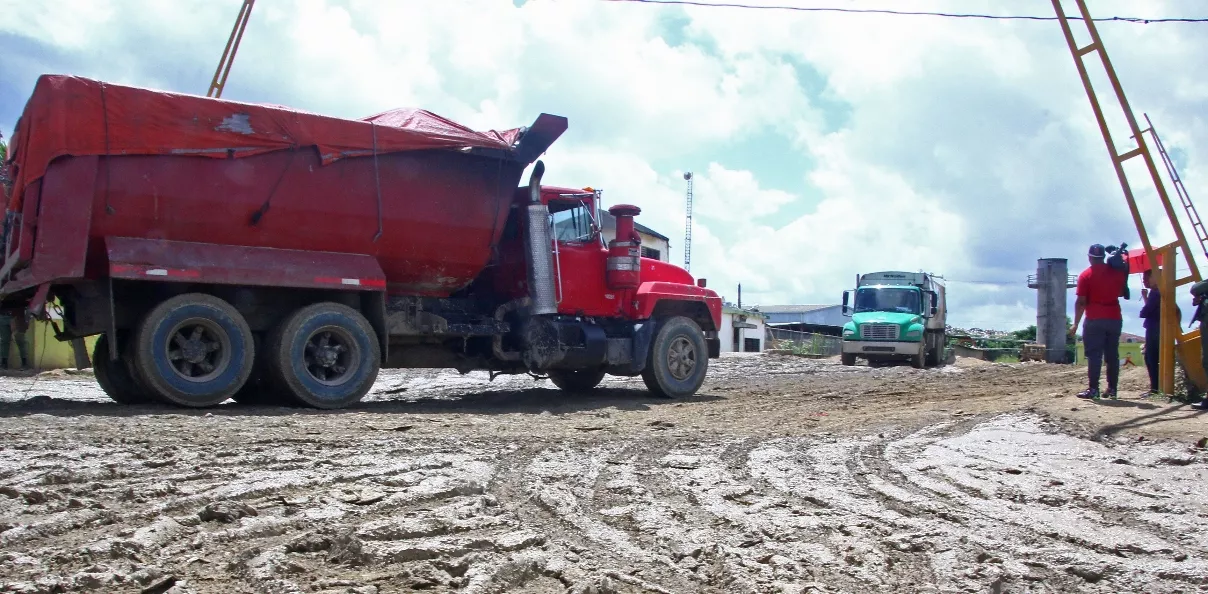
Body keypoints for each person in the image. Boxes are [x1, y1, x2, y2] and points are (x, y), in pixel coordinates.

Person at [1069, 244, 1127, 400]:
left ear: (1089, 257)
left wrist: (1075, 323)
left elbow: (1081, 301)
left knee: (1095, 355)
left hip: (1094, 318)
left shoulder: (1085, 275)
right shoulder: (1117, 272)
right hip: (1114, 316)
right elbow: (1121, 292)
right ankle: (1112, 389)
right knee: (1112, 355)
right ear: (1103, 257)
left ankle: (1094, 389)